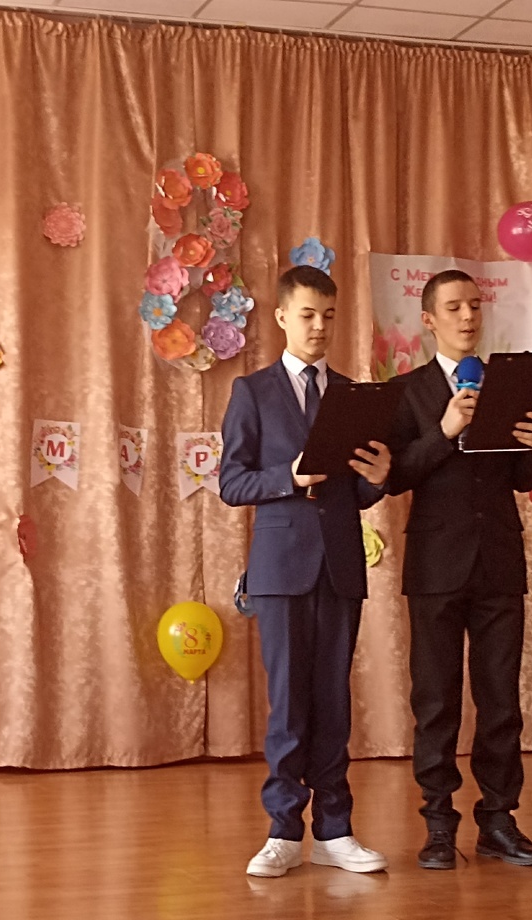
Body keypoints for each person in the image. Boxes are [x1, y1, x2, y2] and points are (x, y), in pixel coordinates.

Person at [220, 265, 392, 879]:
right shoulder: (252, 391)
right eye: (308, 315)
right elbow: (232, 483)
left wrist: (379, 479)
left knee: (334, 704)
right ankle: (283, 832)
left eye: (329, 316)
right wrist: (288, 477)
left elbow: (357, 491)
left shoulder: (352, 394)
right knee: (289, 705)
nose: (320, 327)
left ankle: (336, 831)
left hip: (340, 565)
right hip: (279, 568)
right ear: (281, 317)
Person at [387, 269, 532, 870]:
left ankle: (499, 820)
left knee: (500, 699)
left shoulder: (507, 384)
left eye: (475, 306)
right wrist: (445, 431)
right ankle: (438, 823)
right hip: (435, 565)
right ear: (428, 320)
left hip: (499, 562)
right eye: (454, 307)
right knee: (435, 700)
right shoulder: (406, 391)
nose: (467, 316)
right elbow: (394, 476)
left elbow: (521, 478)